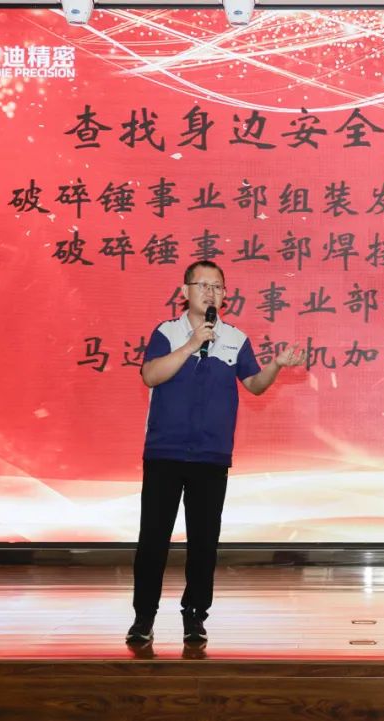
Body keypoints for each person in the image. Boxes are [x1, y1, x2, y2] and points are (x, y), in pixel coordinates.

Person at [126, 260, 304, 645]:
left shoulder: (235, 339)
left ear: (225, 294)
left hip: (211, 455)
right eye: (203, 285)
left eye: (218, 287)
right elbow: (150, 375)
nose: (211, 293)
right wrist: (192, 344)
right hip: (165, 453)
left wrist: (276, 365)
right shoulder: (167, 332)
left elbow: (254, 384)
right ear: (185, 291)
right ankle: (144, 617)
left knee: (204, 542)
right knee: (153, 538)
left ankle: (195, 615)